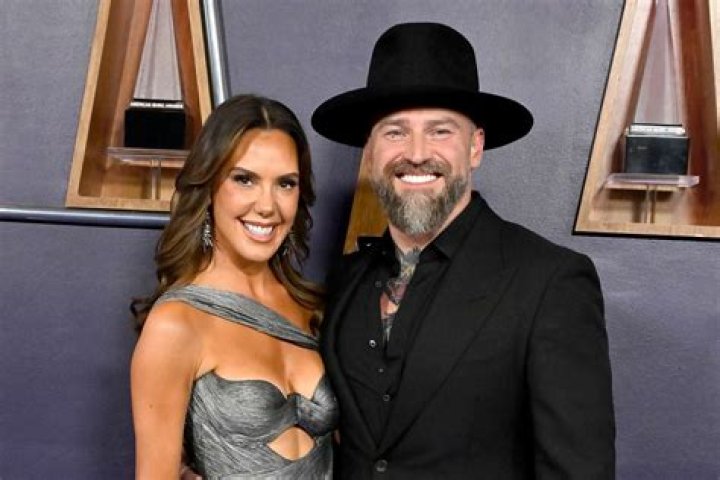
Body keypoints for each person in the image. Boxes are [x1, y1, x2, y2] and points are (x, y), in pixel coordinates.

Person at [312, 23, 615, 479]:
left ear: (475, 147)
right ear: (370, 151)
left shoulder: (549, 282)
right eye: (395, 132)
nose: (416, 153)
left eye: (440, 131)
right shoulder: (345, 279)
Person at [130, 94, 338, 479]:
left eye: (285, 184)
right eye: (245, 180)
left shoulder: (310, 307)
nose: (267, 206)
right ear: (209, 187)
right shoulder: (177, 324)